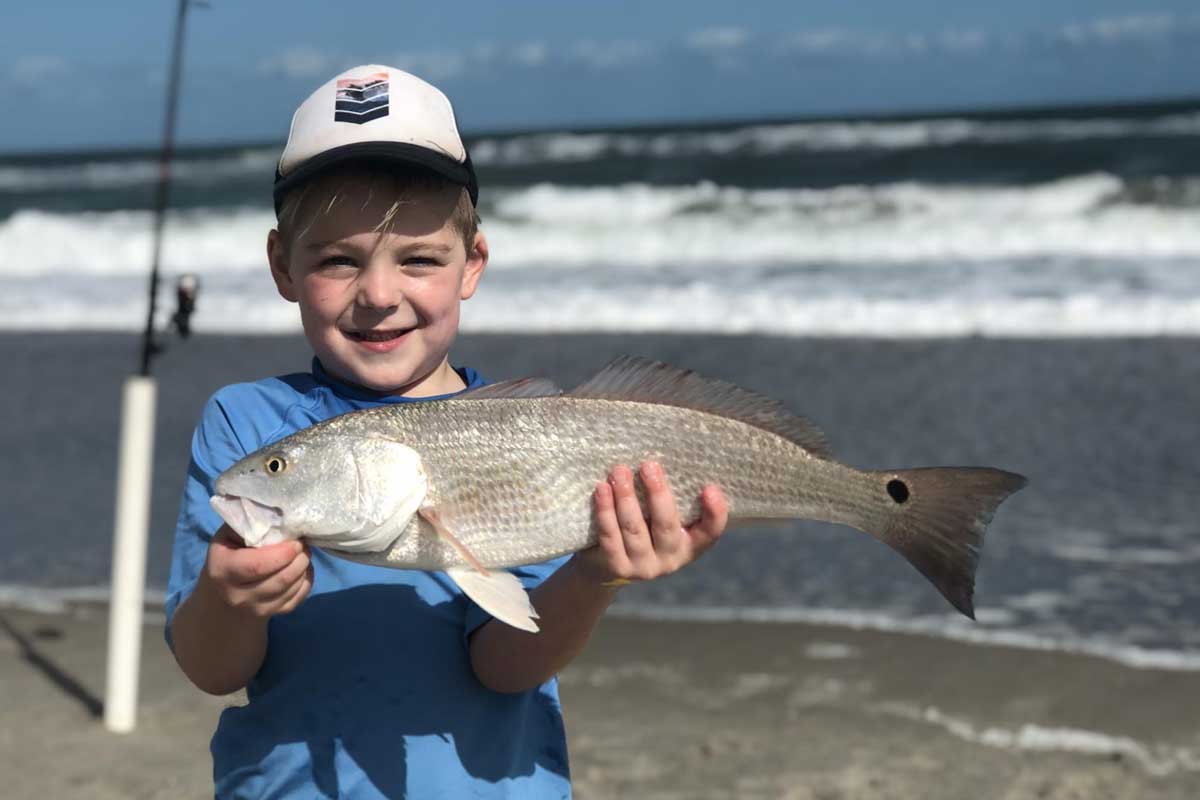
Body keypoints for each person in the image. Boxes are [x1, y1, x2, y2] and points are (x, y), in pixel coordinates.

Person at [165, 64, 729, 799]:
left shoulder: (522, 436)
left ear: (473, 265)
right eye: (338, 260)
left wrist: (598, 571)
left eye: (420, 259)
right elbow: (213, 670)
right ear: (283, 266)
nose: (378, 293)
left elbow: (504, 667)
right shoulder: (247, 426)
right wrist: (228, 598)